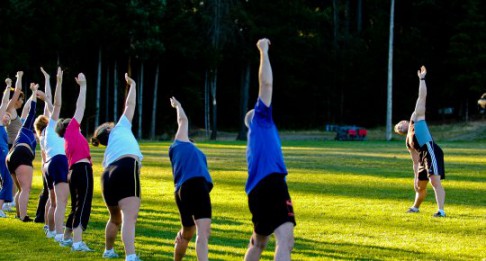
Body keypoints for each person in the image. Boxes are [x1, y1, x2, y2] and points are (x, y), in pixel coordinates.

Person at [243, 38, 296, 261]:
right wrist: (263, 50)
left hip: (256, 192)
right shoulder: (261, 119)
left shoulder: (254, 139)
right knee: (285, 239)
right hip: (271, 183)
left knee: (259, 242)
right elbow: (266, 85)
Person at [91, 73, 143, 261]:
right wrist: (133, 86)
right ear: (109, 129)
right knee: (129, 217)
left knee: (115, 217)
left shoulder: (109, 149)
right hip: (126, 167)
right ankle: (130, 256)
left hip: (107, 174)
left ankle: (108, 250)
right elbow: (130, 106)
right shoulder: (120, 128)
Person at [394, 65, 446, 218]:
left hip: (431, 151)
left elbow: (422, 97)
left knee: (435, 182)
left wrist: (422, 79)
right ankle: (416, 207)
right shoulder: (409, 142)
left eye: (400, 124)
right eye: (397, 128)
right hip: (423, 158)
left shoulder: (417, 118)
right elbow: (415, 162)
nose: (399, 126)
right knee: (420, 186)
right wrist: (416, 177)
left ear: (405, 121)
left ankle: (441, 210)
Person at [168, 96, 213, 261]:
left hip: (181, 191)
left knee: (187, 232)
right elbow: (183, 120)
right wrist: (178, 105)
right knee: (202, 233)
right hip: (196, 186)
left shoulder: (183, 151)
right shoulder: (180, 144)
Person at [55, 72, 94, 251]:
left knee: (76, 205)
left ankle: (66, 238)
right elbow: (80, 107)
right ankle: (78, 242)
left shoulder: (66, 140)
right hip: (83, 170)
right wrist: (83, 86)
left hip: (74, 172)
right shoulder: (71, 130)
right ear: (68, 126)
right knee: (83, 205)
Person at [35, 67, 70, 241]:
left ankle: (50, 229)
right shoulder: (51, 127)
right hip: (58, 161)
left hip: (48, 165)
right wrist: (59, 82)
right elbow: (55, 104)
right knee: (61, 202)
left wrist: (48, 80)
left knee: (53, 200)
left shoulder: (43, 135)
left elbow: (48, 105)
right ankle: (58, 234)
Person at [6, 78, 38, 222]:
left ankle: (19, 214)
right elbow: (32, 111)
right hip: (19, 154)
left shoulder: (26, 131)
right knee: (25, 188)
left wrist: (33, 93)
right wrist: (35, 93)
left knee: (20, 189)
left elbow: (26, 110)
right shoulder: (27, 127)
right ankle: (23, 216)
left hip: (11, 156)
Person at [4, 73, 25, 212]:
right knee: (12, 176)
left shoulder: (13, 111)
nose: (22, 102)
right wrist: (19, 77)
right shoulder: (10, 109)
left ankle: (9, 201)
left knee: (14, 176)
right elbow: (17, 91)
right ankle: (7, 201)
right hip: (12, 146)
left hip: (14, 145)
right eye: (21, 99)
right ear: (15, 100)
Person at [0, 78, 14, 218]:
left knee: (6, 179)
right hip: (1, 154)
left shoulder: (4, 129)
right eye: (5, 114)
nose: (6, 117)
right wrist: (8, 86)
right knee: (7, 178)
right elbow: (4, 102)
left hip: (3, 153)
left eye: (8, 117)